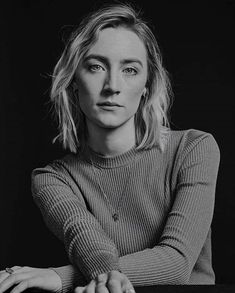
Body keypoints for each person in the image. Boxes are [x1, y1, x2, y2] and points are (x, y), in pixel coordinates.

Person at [0, 3, 220, 293]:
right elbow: (88, 241)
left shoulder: (193, 148)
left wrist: (59, 277)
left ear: (146, 85)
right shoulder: (52, 178)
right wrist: (104, 275)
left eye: (130, 69)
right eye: (96, 66)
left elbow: (177, 263)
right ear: (74, 80)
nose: (112, 85)